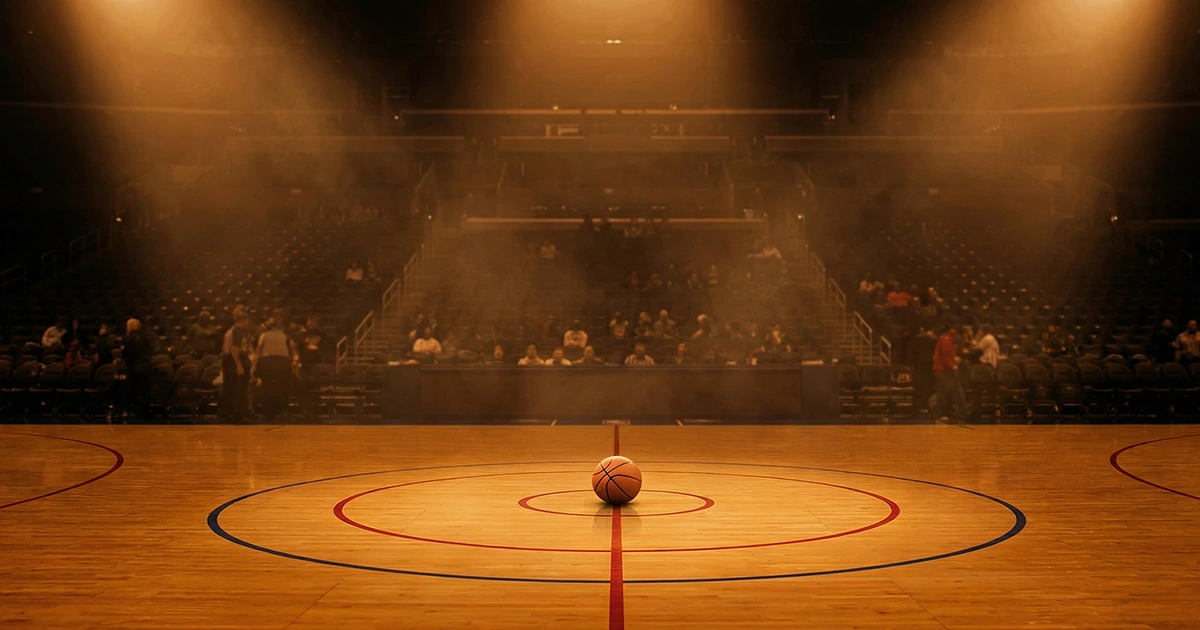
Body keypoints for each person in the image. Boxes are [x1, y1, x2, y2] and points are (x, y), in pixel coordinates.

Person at [253, 316, 297, 421]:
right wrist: (293, 362)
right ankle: (283, 411)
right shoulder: (285, 336)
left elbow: (259, 350)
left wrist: (255, 365)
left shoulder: (264, 335)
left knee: (267, 388)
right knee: (282, 388)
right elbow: (292, 348)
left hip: (267, 362)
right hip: (282, 362)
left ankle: (268, 413)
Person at [220, 313, 253, 421]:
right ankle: (234, 414)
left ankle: (226, 413)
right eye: (247, 321)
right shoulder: (237, 331)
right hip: (232, 360)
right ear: (242, 320)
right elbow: (234, 348)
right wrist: (239, 365)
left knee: (229, 388)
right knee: (235, 388)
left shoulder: (230, 331)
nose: (248, 324)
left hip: (227, 359)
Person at [933, 325, 966, 422]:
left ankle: (945, 413)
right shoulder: (947, 338)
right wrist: (953, 366)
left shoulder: (945, 338)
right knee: (944, 391)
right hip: (944, 370)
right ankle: (944, 413)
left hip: (941, 369)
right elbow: (946, 355)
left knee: (944, 391)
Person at [121, 318, 153, 416]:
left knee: (130, 390)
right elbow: (149, 352)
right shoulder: (144, 338)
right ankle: (142, 412)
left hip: (131, 367)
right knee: (142, 390)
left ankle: (127, 410)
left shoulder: (126, 339)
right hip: (144, 367)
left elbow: (124, 354)